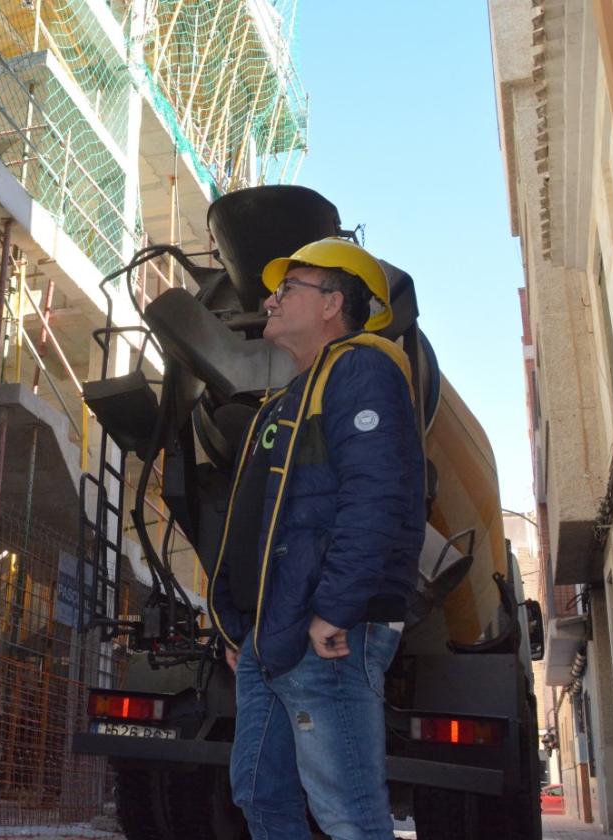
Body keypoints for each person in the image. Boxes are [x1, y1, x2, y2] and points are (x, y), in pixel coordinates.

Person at [207, 236, 426, 839]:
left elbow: (375, 496)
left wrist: (335, 607)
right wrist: (235, 627)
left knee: (347, 813)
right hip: (272, 632)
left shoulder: (361, 367)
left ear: (333, 303)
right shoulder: (282, 404)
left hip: (326, 629)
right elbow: (253, 524)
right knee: (259, 795)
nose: (270, 300)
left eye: (289, 289)